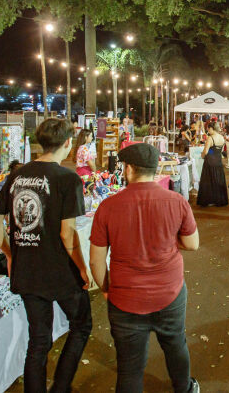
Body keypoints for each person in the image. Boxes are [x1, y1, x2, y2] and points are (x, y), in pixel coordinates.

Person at [0, 118, 91, 393]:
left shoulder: (17, 175)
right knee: (81, 325)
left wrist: (10, 253)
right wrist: (82, 267)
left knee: (38, 340)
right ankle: (61, 386)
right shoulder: (68, 178)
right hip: (60, 270)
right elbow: (67, 233)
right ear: (68, 143)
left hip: (28, 270)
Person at [89, 143, 200, 393]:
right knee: (175, 345)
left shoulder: (108, 207)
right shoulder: (176, 201)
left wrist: (107, 290)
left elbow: (96, 261)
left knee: (129, 367)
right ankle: (185, 388)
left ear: (128, 169)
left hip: (124, 297)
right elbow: (193, 244)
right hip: (169, 293)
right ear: (156, 168)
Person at [196, 122, 228, 207]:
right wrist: (211, 151)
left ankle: (208, 200)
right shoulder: (222, 137)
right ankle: (218, 200)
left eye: (208, 128)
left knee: (208, 181)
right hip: (218, 161)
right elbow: (218, 150)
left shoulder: (210, 138)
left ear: (211, 128)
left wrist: (202, 155)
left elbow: (206, 151)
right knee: (218, 180)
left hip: (210, 162)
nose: (207, 130)